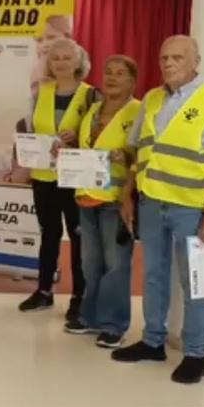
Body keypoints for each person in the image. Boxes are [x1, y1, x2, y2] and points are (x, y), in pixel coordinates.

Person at [114, 35, 204, 385]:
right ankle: (153, 341)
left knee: (196, 281)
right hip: (152, 202)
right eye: (164, 57)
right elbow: (139, 153)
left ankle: (196, 354)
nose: (168, 63)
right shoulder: (152, 99)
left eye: (178, 57)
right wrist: (127, 195)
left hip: (191, 208)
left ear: (196, 61)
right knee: (154, 275)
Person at [18, 38, 95, 321]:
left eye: (67, 57)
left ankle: (80, 297)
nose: (61, 62)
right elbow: (29, 128)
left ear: (79, 62)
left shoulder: (91, 95)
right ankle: (43, 291)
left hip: (75, 176)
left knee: (78, 237)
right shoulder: (41, 93)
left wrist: (78, 136)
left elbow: (99, 134)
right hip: (44, 175)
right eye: (56, 58)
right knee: (48, 234)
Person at [66, 55, 141, 346]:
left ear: (132, 80)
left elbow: (145, 154)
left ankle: (114, 324)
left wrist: (127, 157)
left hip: (115, 199)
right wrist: (67, 149)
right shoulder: (93, 110)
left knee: (115, 264)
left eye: (120, 73)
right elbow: (88, 149)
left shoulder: (138, 112)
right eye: (108, 72)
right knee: (90, 262)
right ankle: (90, 317)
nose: (111, 78)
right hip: (86, 196)